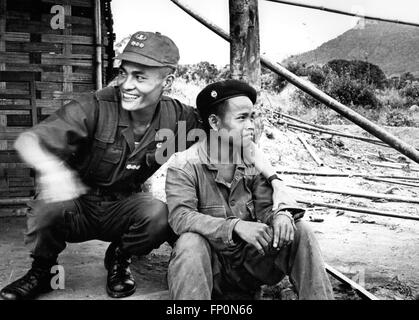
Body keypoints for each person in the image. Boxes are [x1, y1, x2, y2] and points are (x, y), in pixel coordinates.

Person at [1, 32, 287, 300]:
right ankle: (42, 270)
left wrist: (275, 180)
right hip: (76, 204)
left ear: (168, 82)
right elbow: (29, 141)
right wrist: (53, 171)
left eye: (139, 77)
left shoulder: (179, 119)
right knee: (46, 205)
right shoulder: (95, 106)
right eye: (123, 73)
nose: (126, 84)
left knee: (160, 215)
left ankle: (120, 257)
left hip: (124, 207)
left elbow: (232, 137)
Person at [165, 79, 335, 300]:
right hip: (209, 270)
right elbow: (181, 217)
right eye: (241, 118)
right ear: (215, 123)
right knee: (189, 242)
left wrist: (281, 215)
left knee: (300, 230)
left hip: (250, 267)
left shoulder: (252, 160)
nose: (250, 126)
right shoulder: (184, 164)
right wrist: (235, 226)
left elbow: (266, 207)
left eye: (252, 117)